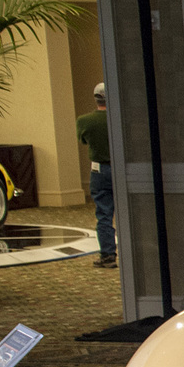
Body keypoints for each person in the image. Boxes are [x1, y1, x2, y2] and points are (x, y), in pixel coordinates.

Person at [75, 82, 116, 267]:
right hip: (120, 170)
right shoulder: (119, 119)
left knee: (104, 214)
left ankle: (108, 255)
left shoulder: (84, 121)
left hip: (99, 170)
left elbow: (83, 140)